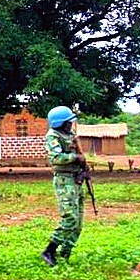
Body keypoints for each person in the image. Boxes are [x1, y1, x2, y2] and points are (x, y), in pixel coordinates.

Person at [41, 105, 85, 267]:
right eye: (68, 122)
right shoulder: (52, 136)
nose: (71, 124)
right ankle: (49, 251)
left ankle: (65, 253)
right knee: (70, 218)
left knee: (78, 222)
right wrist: (75, 158)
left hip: (76, 180)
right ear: (60, 122)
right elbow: (56, 158)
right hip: (64, 180)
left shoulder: (71, 135)